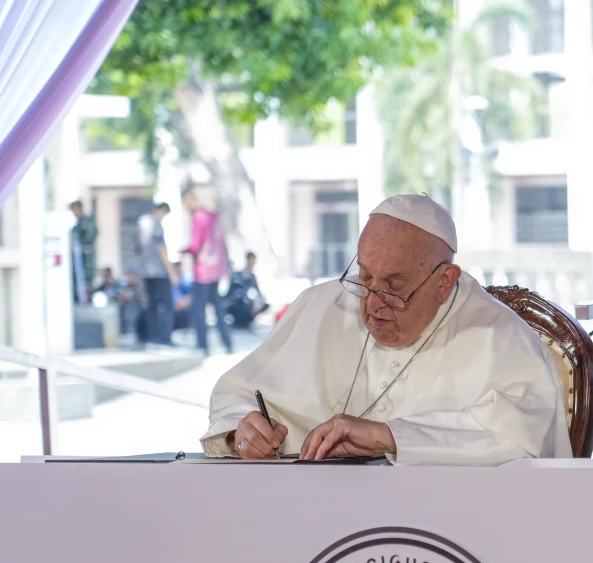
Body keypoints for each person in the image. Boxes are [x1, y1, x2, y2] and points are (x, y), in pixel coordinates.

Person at [201, 194, 571, 464]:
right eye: (365, 277)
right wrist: (240, 433)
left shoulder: (501, 336)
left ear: (445, 281)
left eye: (394, 287)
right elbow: (235, 396)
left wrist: (389, 436)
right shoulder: (319, 306)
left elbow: (523, 438)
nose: (372, 302)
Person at [180, 189, 233, 355]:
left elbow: (197, 244)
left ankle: (202, 345)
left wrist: (185, 251)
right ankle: (227, 343)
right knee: (217, 309)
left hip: (203, 271)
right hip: (216, 270)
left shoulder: (199, 217)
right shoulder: (213, 217)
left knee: (199, 309)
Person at [138, 202, 176, 345]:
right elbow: (161, 249)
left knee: (152, 307)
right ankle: (164, 338)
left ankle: (152, 337)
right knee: (167, 306)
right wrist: (171, 271)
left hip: (146, 272)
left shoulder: (142, 223)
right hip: (159, 272)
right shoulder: (156, 225)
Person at [224, 251, 269, 329]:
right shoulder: (237, 275)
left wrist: (258, 303)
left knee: (263, 304)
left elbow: (258, 292)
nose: (253, 263)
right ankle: (240, 320)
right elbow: (234, 293)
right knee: (243, 303)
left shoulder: (252, 277)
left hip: (249, 303)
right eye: (252, 261)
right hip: (237, 303)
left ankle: (247, 320)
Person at [69, 200, 98, 305]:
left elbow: (91, 236)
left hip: (87, 262)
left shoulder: (88, 222)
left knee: (87, 287)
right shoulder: (76, 227)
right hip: (77, 264)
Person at [172, 261, 194, 332]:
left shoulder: (185, 280)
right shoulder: (170, 283)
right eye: (178, 269)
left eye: (181, 269)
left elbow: (193, 295)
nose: (180, 271)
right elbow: (177, 303)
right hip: (175, 313)